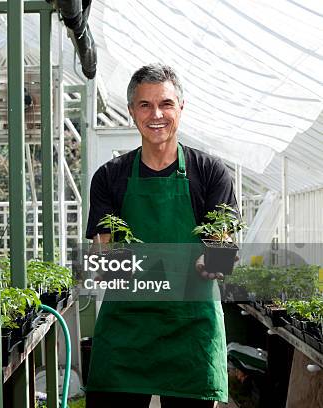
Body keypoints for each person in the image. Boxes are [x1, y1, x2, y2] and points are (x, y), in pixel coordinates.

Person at [85, 64, 237, 407]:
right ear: (131, 112)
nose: (156, 114)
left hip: (191, 333)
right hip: (127, 335)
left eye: (166, 104)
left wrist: (210, 260)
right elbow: (104, 259)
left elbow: (222, 250)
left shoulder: (211, 173)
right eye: (145, 105)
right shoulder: (110, 177)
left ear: (180, 108)